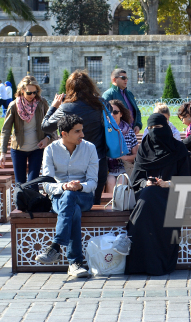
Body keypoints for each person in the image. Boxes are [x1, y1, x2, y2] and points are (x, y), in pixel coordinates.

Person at [124, 113, 191, 276]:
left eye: (158, 127)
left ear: (166, 127)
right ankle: (147, 263)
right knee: (149, 194)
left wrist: (167, 184)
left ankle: (149, 263)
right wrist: (146, 183)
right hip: (148, 195)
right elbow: (136, 180)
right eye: (150, 128)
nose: (154, 132)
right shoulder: (144, 149)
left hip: (174, 195)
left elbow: (189, 182)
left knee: (149, 199)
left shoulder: (178, 149)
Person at [35, 114, 98, 278]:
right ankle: (75, 264)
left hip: (83, 197)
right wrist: (64, 186)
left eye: (82, 131)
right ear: (64, 133)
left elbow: (93, 182)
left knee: (71, 197)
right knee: (73, 210)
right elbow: (47, 185)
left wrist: (79, 186)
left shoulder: (89, 148)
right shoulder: (50, 149)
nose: (82, 135)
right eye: (77, 132)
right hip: (59, 197)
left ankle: (55, 247)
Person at [42, 70, 108, 205]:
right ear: (90, 86)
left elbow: (46, 126)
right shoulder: (101, 104)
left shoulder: (66, 108)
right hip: (98, 157)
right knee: (94, 203)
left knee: (71, 203)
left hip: (73, 160)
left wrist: (54, 106)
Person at [0, 76, 54, 186]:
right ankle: (21, 203)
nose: (32, 95)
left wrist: (47, 138)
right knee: (20, 184)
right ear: (22, 90)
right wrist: (3, 153)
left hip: (37, 148)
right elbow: (6, 129)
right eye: (29, 93)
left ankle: (34, 203)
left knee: (33, 183)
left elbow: (51, 123)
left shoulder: (41, 103)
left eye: (35, 92)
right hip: (18, 149)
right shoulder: (14, 105)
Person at [106, 99, 139, 192]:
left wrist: (123, 157)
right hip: (109, 168)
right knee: (110, 181)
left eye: (115, 112)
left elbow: (136, 156)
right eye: (109, 112)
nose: (112, 114)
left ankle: (119, 206)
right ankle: (110, 206)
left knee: (122, 181)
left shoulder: (129, 131)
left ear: (121, 114)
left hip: (125, 168)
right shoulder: (104, 131)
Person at [102, 69, 142, 134]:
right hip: (117, 133)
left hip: (131, 133)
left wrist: (138, 125)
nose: (126, 80)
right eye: (123, 78)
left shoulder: (129, 94)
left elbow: (137, 111)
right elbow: (105, 114)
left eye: (126, 78)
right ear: (114, 80)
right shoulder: (108, 94)